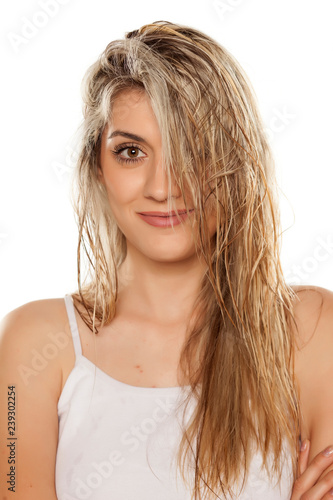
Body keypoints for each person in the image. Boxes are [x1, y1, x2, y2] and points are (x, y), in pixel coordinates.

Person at [0, 20, 333, 500]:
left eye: (194, 150)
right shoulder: (34, 342)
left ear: (236, 164)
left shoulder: (311, 330)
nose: (163, 188)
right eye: (131, 152)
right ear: (98, 166)